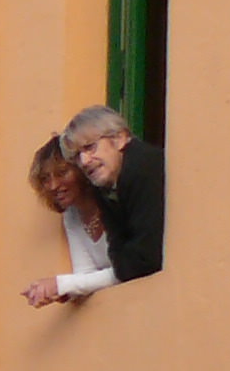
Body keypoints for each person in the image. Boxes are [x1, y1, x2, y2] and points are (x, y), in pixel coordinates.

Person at [18, 131, 122, 309]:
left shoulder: (113, 202)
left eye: (62, 173)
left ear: (82, 169)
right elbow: (85, 275)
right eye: (45, 179)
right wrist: (56, 292)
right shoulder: (72, 216)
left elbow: (130, 270)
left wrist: (61, 285)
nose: (53, 185)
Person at [67, 102, 163, 283]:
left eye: (89, 147)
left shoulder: (144, 168)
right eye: (77, 156)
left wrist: (125, 263)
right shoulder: (105, 186)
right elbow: (117, 255)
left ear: (119, 139)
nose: (84, 161)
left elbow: (147, 258)